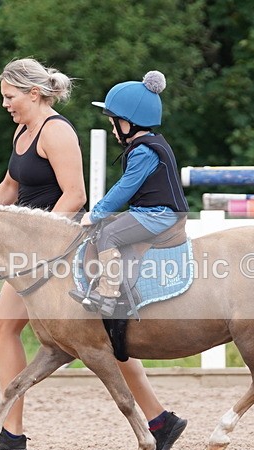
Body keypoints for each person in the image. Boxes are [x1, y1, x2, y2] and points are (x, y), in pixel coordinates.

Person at [0, 58, 187, 450]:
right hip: (29, 249)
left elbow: (75, 196)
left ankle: (12, 435)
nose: (5, 104)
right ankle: (158, 419)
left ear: (34, 93)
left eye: (9, 97)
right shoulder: (22, 131)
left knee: (91, 336)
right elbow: (11, 185)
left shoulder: (57, 132)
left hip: (52, 246)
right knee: (67, 333)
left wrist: (46, 247)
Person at [69, 70, 189, 317]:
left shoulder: (144, 151)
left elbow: (125, 187)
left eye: (114, 122)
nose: (113, 129)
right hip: (150, 211)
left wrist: (96, 213)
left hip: (158, 214)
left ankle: (108, 296)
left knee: (109, 235)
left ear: (128, 122)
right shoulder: (146, 144)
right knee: (109, 228)